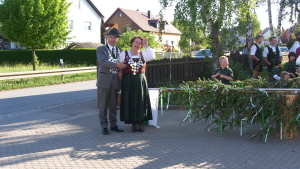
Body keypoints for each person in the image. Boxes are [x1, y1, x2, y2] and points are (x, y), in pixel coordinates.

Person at [118, 36, 155, 132]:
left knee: (141, 101)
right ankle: (133, 124)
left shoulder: (144, 54)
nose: (137, 45)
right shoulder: (124, 54)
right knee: (130, 100)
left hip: (140, 81)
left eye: (140, 43)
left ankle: (141, 123)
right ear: (132, 42)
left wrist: (146, 46)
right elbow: (119, 66)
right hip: (128, 81)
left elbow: (152, 56)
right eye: (136, 42)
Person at [96, 28, 127, 135]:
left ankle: (114, 125)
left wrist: (120, 70)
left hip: (115, 81)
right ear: (107, 37)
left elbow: (123, 64)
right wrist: (117, 65)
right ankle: (104, 126)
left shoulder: (120, 50)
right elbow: (103, 62)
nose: (113, 39)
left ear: (117, 39)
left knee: (113, 106)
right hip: (104, 81)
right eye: (111, 37)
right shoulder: (101, 49)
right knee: (103, 106)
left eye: (115, 37)